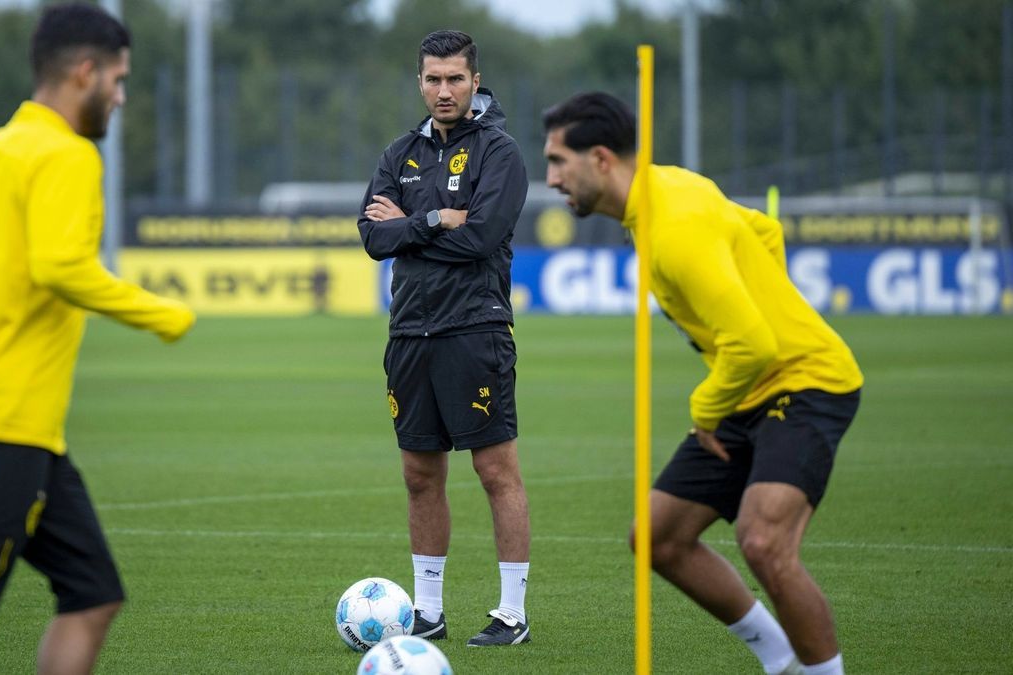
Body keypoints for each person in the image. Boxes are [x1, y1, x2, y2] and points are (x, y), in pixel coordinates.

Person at [0, 5, 195, 674]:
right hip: (6, 425)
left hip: (11, 429)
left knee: (92, 596)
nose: (121, 95)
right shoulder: (67, 154)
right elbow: (60, 266)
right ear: (85, 72)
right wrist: (157, 312)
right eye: (117, 79)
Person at [542, 92, 863, 675]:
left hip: (807, 380)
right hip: (746, 386)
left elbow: (755, 344)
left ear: (601, 159)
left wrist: (705, 405)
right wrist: (767, 291)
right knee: (658, 539)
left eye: (559, 162)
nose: (551, 179)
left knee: (763, 542)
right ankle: (781, 659)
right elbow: (762, 230)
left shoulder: (674, 231)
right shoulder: (667, 189)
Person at [357, 30, 532, 647]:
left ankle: (512, 612)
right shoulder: (400, 151)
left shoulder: (499, 152)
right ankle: (427, 610)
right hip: (409, 330)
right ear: (420, 82)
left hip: (474, 327)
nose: (443, 90)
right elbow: (372, 238)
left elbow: (480, 239)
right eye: (433, 79)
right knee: (418, 473)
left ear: (475, 82)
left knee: (494, 468)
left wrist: (405, 226)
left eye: (455, 78)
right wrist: (429, 219)